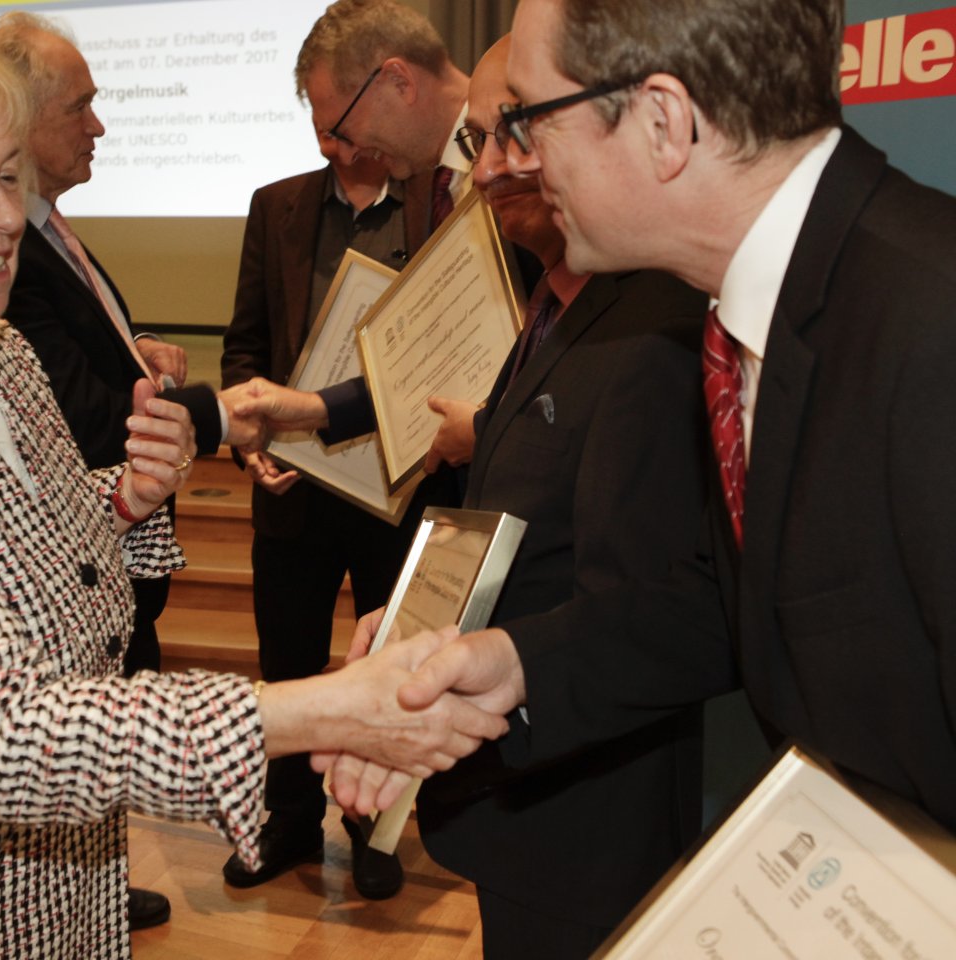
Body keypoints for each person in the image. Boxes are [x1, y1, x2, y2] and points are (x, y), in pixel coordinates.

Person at [0, 31, 511, 960]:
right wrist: (324, 709)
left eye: (9, 176)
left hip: (43, 882)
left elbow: (30, 534)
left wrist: (123, 500)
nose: (5, 215)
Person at [337, 0, 956, 840]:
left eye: (527, 117)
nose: (506, 165)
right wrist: (518, 667)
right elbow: (739, 604)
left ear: (663, 122)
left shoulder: (930, 325)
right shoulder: (756, 307)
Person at [235, 35, 711, 955]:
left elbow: (656, 611)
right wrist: (416, 624)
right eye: (481, 142)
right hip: (535, 803)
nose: (487, 169)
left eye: (508, 136)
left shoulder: (649, 320)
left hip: (587, 811)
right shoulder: (571, 298)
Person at [0, 12, 247, 686]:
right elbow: (79, 421)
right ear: (19, 120)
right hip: (83, 579)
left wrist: (136, 345)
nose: (97, 126)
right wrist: (215, 414)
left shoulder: (43, 230)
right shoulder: (5, 257)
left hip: (113, 572)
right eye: (81, 107)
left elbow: (78, 338)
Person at [217, 129, 429, 898]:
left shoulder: (436, 205)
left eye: (345, 122)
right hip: (294, 489)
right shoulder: (277, 206)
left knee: (392, 667)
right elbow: (244, 348)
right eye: (320, 124)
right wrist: (252, 447)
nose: (334, 142)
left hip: (397, 489)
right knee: (289, 663)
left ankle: (375, 827)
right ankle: (291, 822)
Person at [296, 0, 472, 233]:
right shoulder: (434, 189)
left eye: (344, 133)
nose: (348, 157)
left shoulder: (523, 153)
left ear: (400, 82)